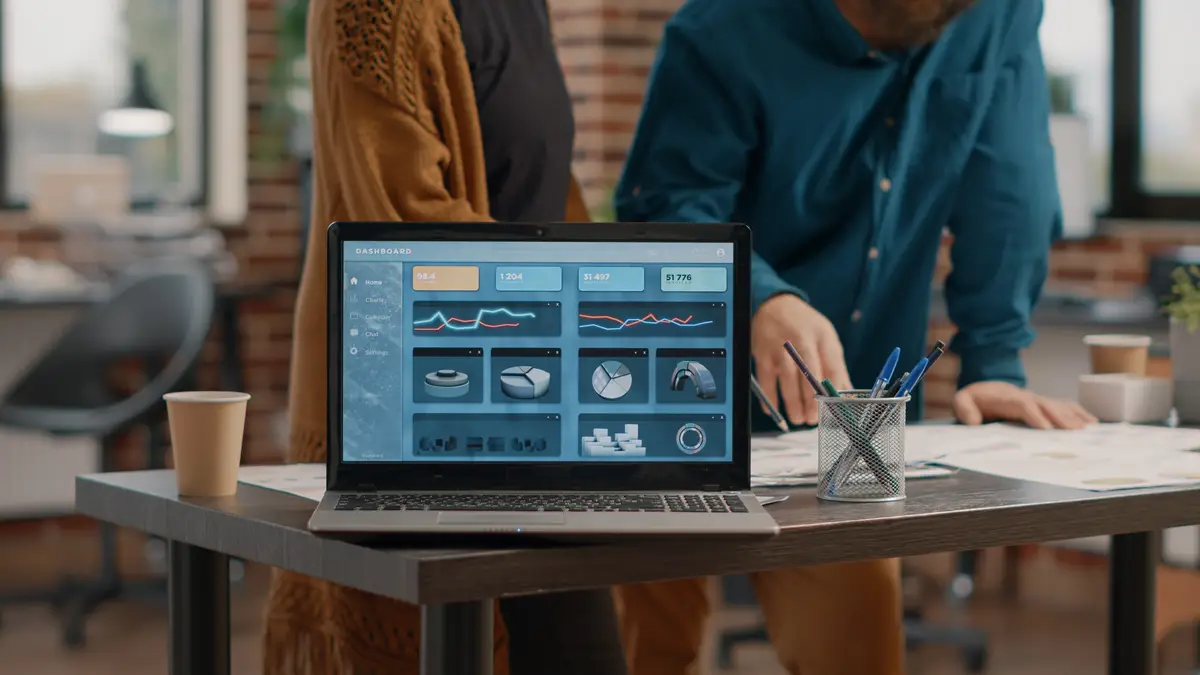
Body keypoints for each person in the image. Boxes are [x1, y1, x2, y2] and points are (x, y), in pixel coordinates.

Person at [611, 0, 1097, 673]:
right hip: (677, 403)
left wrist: (994, 359)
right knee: (647, 653)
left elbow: (1009, 187)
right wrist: (756, 296)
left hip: (847, 426)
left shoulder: (997, 11)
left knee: (858, 647)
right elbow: (665, 208)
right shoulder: (719, 29)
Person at [263, 0, 629, 673]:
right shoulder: (368, 8)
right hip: (414, 417)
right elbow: (406, 220)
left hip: (533, 413)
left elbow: (544, 189)